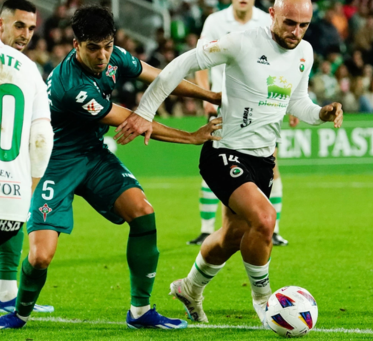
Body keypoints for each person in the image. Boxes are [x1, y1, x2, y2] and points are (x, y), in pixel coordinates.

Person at [0, 5, 222, 330]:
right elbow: (133, 121)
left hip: (92, 154)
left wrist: (211, 95)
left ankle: (141, 311)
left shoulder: (113, 54)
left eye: (107, 45)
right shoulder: (70, 86)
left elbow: (162, 78)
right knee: (40, 257)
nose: (103, 55)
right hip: (55, 162)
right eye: (93, 48)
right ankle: (19, 313)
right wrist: (190, 137)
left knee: (143, 213)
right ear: (76, 45)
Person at [123, 0, 342, 325]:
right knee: (265, 219)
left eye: (303, 26)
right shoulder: (242, 42)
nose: (296, 32)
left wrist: (321, 113)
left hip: (263, 159)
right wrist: (145, 111)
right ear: (272, 14)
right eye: (289, 23)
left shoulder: (304, 52)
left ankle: (189, 287)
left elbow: (297, 103)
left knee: (232, 237)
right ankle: (265, 302)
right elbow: (183, 63)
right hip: (223, 150)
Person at [191, 0, 292, 247]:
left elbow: (282, 65)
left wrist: (289, 102)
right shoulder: (215, 21)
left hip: (261, 108)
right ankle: (206, 230)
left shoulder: (268, 21)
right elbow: (200, 61)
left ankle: (274, 229)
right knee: (216, 163)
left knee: (272, 165)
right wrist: (205, 95)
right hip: (223, 106)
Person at [0, 0, 54, 315]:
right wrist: (29, 186)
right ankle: (8, 295)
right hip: (12, 198)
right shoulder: (32, 72)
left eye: (31, 28)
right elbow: (42, 139)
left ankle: (7, 295)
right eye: (20, 25)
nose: (26, 35)